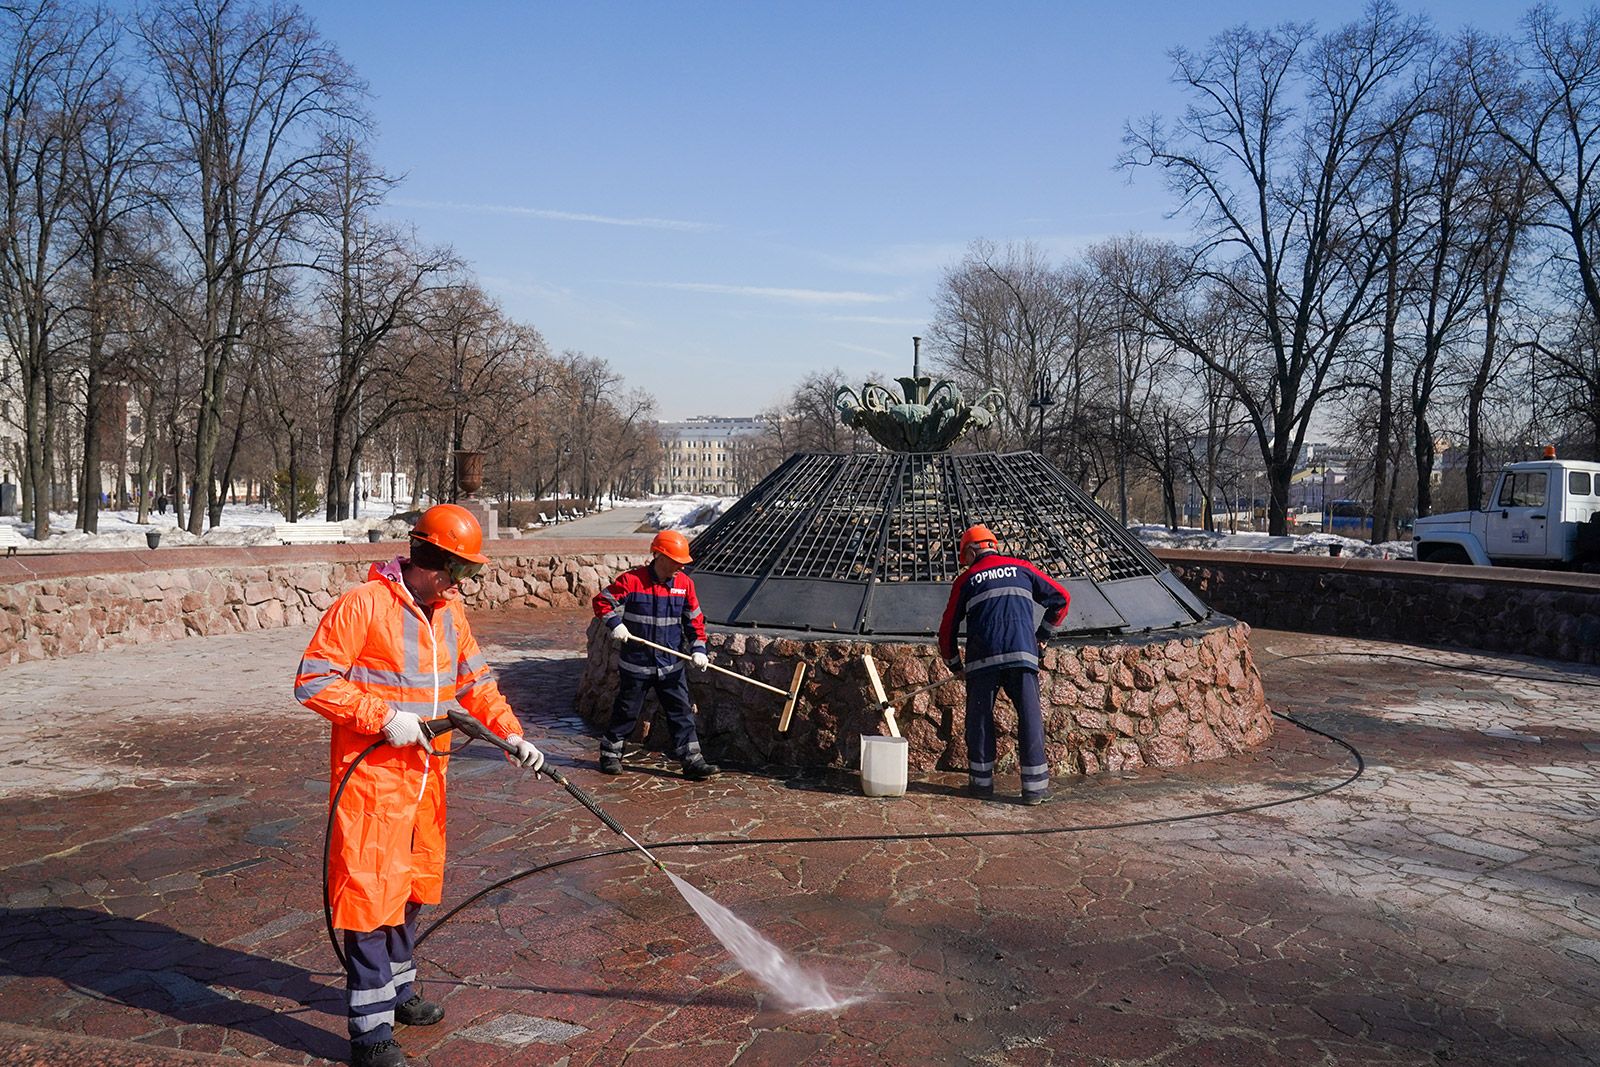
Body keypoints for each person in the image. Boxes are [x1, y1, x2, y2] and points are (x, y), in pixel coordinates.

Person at [294, 503, 544, 1067]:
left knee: (412, 888)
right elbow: (312, 682)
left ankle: (399, 992)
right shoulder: (363, 606)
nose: (461, 585)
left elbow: (475, 682)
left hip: (428, 777)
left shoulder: (448, 611)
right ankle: (369, 1033)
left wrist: (513, 736)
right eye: (459, 573)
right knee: (367, 897)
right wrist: (383, 718)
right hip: (373, 781)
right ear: (430, 561)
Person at [937, 523, 1070, 805]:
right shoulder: (1022, 568)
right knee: (1030, 717)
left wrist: (954, 663)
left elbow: (947, 628)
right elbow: (1062, 599)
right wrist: (1042, 636)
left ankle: (981, 785)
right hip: (1022, 654)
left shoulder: (967, 579)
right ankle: (1034, 789)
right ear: (992, 545)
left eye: (966, 557)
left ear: (973, 551)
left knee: (980, 720)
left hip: (982, 659)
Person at [593, 528, 719, 780]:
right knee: (627, 711)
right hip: (637, 665)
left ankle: (693, 761)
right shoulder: (632, 581)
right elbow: (602, 602)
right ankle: (610, 754)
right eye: (676, 562)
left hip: (670, 665)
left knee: (681, 713)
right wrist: (615, 624)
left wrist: (698, 649)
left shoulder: (684, 585)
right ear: (660, 556)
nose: (680, 568)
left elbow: (694, 621)